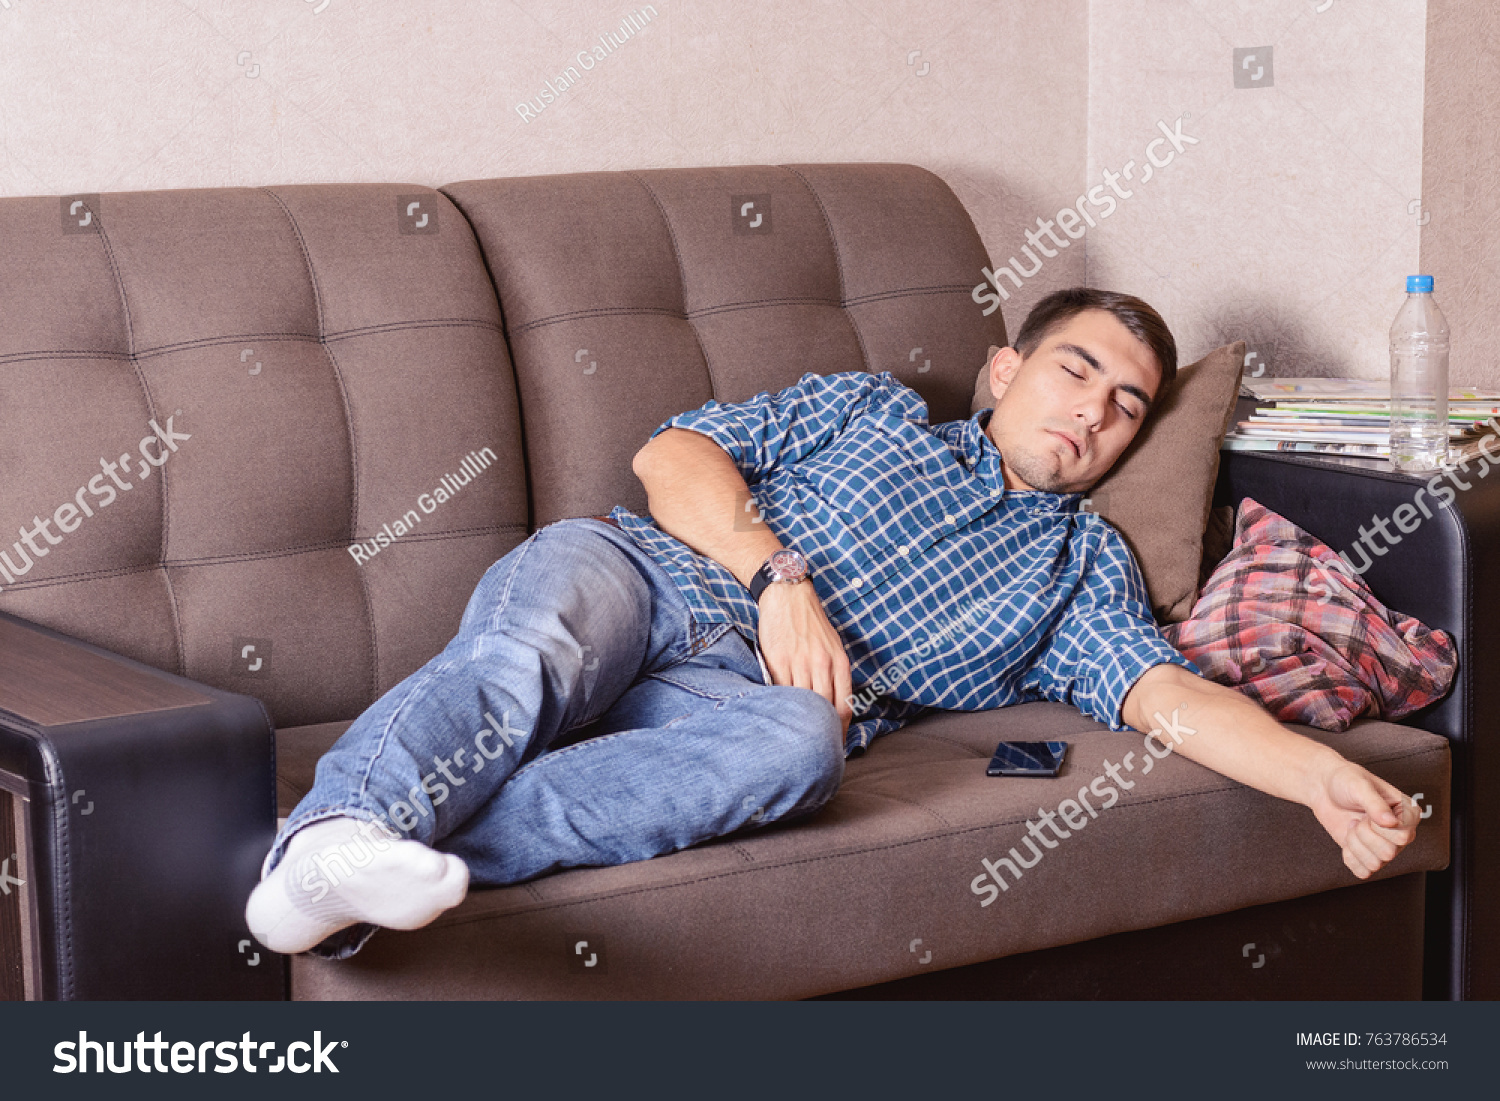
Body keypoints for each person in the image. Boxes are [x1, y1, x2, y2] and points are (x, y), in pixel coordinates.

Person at [246, 287, 1421, 958]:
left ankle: (378, 859)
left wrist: (1318, 778)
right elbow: (674, 453)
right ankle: (332, 836)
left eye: (1127, 407)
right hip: (642, 574)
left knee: (802, 750)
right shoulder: (873, 410)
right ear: (1003, 370)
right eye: (1076, 371)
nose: (1097, 414)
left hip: (742, 707)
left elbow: (1169, 699)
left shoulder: (1077, 565)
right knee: (530, 656)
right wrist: (775, 576)